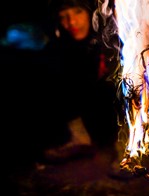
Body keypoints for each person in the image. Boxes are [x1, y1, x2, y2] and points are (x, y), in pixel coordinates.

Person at [40, 0, 118, 163]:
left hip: (113, 111)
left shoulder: (112, 38)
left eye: (77, 12)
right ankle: (80, 139)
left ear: (91, 13)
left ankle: (122, 146)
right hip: (87, 111)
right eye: (63, 16)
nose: (71, 22)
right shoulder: (60, 46)